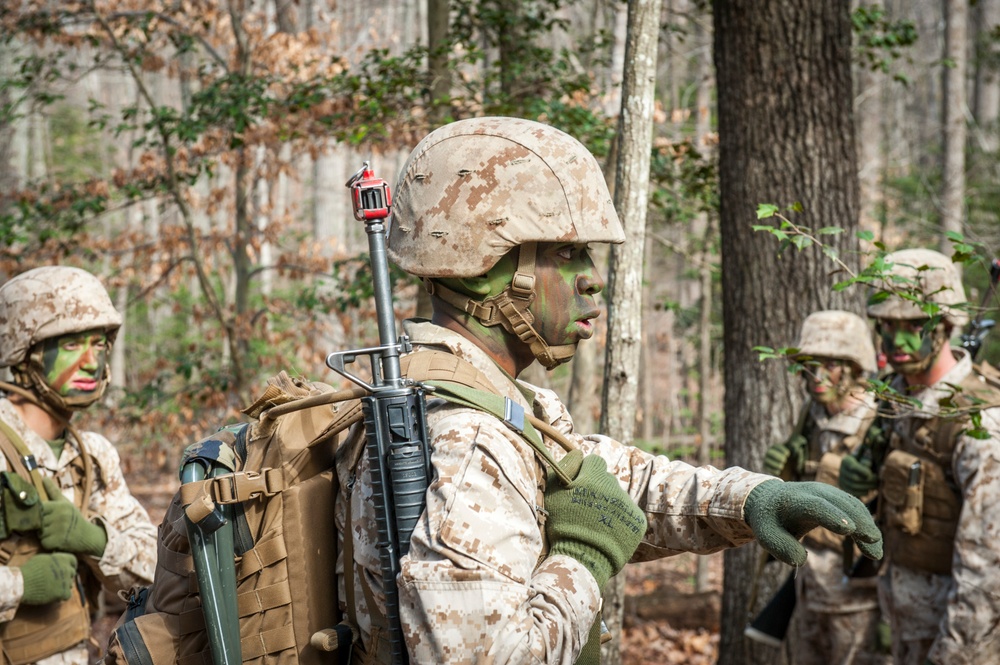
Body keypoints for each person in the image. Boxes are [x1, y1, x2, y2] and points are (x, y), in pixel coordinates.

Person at [332, 116, 883, 664]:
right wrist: (582, 560)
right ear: (482, 272)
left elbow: (613, 485)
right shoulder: (469, 438)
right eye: (567, 254)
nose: (593, 277)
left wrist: (752, 500)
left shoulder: (486, 401)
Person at [839, 248, 1000, 665]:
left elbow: (988, 570)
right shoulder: (896, 403)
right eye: (887, 326)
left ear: (946, 326)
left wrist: (954, 654)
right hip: (905, 622)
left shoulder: (978, 420)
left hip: (959, 639)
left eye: (915, 325)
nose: (898, 341)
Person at [0, 266, 157, 665]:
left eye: (98, 343)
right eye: (71, 346)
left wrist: (95, 540)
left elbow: (157, 568)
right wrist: (20, 585)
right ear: (24, 352)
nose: (91, 362)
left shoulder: (93, 456)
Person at [759, 310, 887, 664]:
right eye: (810, 363)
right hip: (808, 575)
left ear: (854, 367)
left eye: (830, 364)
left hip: (856, 586)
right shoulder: (812, 414)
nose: (817, 374)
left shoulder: (877, 420)